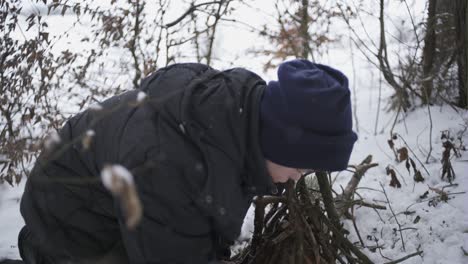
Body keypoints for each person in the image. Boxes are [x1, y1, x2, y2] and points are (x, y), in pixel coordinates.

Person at [13, 59, 357, 264]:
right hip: (67, 225)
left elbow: (208, 208)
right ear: (279, 143)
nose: (298, 178)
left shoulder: (236, 122)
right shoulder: (172, 166)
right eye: (301, 166)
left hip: (112, 203)